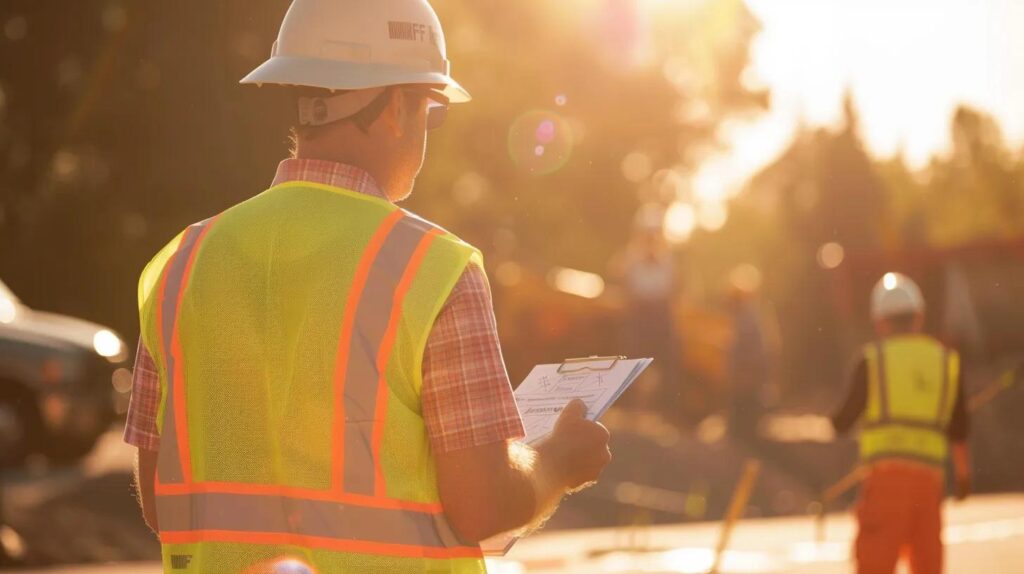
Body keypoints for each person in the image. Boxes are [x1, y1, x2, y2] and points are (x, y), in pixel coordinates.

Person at [122, 1, 612, 572]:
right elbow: (483, 506)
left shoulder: (182, 264)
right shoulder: (434, 269)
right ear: (398, 107)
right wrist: (555, 461)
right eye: (431, 111)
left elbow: (159, 497)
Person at [832, 272, 971, 574]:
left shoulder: (872, 360)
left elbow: (842, 422)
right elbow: (958, 429)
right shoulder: (946, 362)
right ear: (919, 317)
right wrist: (962, 477)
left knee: (875, 565)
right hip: (929, 485)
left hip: (885, 483)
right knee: (927, 565)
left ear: (880, 321)